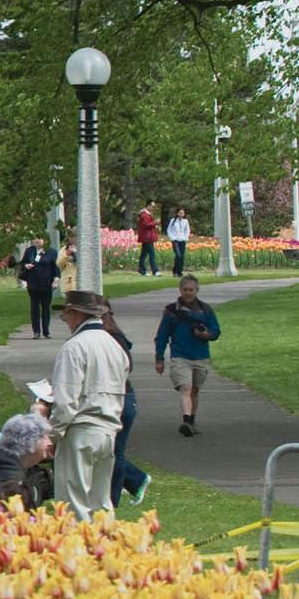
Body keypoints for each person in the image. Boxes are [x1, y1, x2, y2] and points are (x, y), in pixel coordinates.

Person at [48, 289, 130, 520]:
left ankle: (80, 543)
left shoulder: (74, 347)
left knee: (74, 505)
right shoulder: (114, 346)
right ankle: (106, 541)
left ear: (75, 313)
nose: (66, 322)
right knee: (101, 503)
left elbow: (66, 401)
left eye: (66, 316)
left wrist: (52, 435)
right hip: (108, 430)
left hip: (80, 430)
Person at [154, 274, 223, 436]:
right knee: (186, 387)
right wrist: (159, 358)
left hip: (200, 356)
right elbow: (162, 335)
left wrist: (206, 335)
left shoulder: (206, 310)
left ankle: (191, 421)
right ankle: (186, 420)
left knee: (195, 390)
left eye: (191, 290)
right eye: (185, 289)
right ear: (180, 290)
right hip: (180, 356)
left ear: (197, 290)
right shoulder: (171, 311)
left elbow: (216, 331)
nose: (188, 293)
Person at [100, 301, 150, 507]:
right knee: (107, 449)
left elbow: (126, 366)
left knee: (114, 451)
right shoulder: (102, 335)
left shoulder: (113, 337)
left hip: (121, 398)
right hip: (113, 397)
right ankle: (136, 479)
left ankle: (113, 499)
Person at [0, 413, 56, 508]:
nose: (49, 442)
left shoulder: (2, 462)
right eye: (44, 437)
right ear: (28, 441)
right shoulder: (8, 478)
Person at [18, 237, 61, 338]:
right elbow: (22, 262)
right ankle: (36, 332)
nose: (37, 241)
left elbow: (55, 267)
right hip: (33, 283)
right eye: (35, 239)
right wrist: (26, 265)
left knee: (46, 307)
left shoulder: (51, 252)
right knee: (34, 307)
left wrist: (56, 279)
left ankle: (46, 331)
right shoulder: (30, 251)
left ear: (45, 240)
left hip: (46, 283)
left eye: (39, 239)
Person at [134, 204, 161, 275]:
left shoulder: (147, 214)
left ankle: (141, 269)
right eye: (152, 206)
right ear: (148, 206)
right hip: (147, 237)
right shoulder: (144, 215)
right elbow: (146, 225)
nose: (153, 207)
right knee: (152, 254)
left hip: (147, 237)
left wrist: (155, 225)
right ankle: (155, 271)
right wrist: (155, 222)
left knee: (144, 254)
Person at [166, 206, 193, 276]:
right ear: (177, 213)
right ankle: (175, 271)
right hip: (175, 240)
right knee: (178, 255)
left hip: (182, 240)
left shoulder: (185, 221)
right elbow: (169, 230)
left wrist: (185, 237)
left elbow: (187, 230)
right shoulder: (173, 221)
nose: (181, 214)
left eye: (182, 213)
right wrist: (172, 238)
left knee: (182, 257)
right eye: (180, 213)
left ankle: (179, 271)